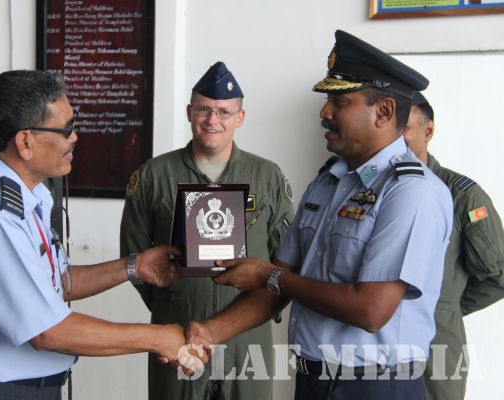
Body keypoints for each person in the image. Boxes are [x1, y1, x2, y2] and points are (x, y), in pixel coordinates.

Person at [182, 30, 454, 400]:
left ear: (384, 112)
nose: (325, 112)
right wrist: (209, 333)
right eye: (328, 101)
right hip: (313, 381)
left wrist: (270, 276)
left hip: (376, 386)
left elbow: (370, 309)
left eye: (339, 101)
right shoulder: (329, 181)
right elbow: (280, 283)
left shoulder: (411, 192)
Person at [0, 70, 209, 400]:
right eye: (66, 129)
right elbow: (47, 331)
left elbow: (58, 282)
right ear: (25, 142)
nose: (74, 138)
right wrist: (160, 338)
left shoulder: (29, 196)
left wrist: (135, 267)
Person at [120, 61, 294, 400]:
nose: (213, 120)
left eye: (224, 112)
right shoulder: (155, 175)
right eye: (203, 110)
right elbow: (134, 255)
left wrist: (263, 305)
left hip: (247, 335)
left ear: (239, 118)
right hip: (177, 332)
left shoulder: (267, 176)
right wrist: (172, 299)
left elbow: (285, 257)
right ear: (190, 113)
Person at [403, 92, 504, 400]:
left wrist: (445, 308)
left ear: (428, 130)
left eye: (403, 128)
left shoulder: (461, 196)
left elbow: (498, 276)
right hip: (368, 342)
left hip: (437, 344)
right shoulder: (364, 191)